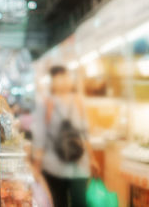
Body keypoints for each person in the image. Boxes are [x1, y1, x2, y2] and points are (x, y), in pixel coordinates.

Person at [32, 66, 100, 207]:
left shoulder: (78, 101)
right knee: (59, 202)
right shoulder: (46, 104)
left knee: (79, 202)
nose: (63, 81)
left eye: (65, 77)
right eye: (59, 77)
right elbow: (40, 138)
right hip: (54, 166)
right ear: (53, 82)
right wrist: (37, 166)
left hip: (79, 164)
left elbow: (85, 133)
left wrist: (92, 158)